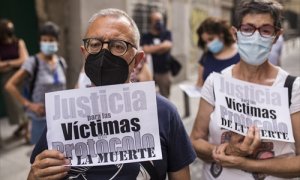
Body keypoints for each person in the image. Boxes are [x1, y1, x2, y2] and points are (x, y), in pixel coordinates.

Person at [27, 8, 196, 180]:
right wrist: (34, 176)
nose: (104, 53)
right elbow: (36, 173)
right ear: (84, 53)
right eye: (94, 44)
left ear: (137, 60)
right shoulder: (62, 116)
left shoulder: (164, 113)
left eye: (118, 46)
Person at [190, 0, 300, 179]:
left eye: (265, 30)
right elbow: (195, 140)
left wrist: (246, 163)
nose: (256, 37)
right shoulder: (215, 82)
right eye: (248, 29)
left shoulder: (292, 88)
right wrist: (228, 150)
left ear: (277, 35)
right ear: (235, 33)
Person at [5, 21, 67, 145]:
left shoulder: (61, 62)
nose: (48, 43)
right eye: (45, 40)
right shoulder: (32, 62)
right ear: (40, 42)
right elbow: (10, 85)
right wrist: (29, 105)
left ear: (57, 42)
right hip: (41, 120)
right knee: (42, 158)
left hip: (61, 120)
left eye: (51, 40)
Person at [0, 19, 29, 139]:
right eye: (8, 28)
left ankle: (27, 131)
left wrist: (7, 63)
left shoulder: (18, 42)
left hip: (21, 76)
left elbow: (25, 60)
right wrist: (14, 63)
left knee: (23, 103)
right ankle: (22, 126)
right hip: (7, 79)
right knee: (15, 106)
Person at [195, 17, 240, 88]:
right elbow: (199, 84)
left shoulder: (241, 55)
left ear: (221, 34)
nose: (209, 44)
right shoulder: (206, 56)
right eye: (205, 42)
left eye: (211, 39)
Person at [141, 11, 173, 98]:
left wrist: (152, 49)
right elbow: (144, 49)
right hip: (149, 71)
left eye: (160, 20)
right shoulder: (146, 36)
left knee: (165, 97)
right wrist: (161, 48)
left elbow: (168, 45)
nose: (159, 22)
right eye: (156, 20)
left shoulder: (167, 33)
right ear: (150, 22)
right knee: (149, 97)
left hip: (164, 72)